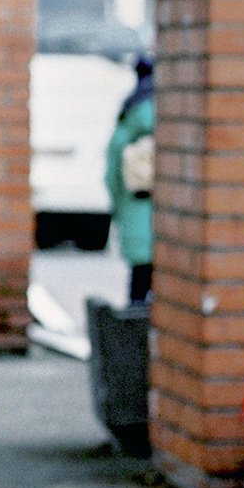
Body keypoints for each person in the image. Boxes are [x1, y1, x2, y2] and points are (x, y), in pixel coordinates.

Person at [106, 54, 154, 303]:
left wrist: (118, 210)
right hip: (174, 232)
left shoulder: (127, 120)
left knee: (138, 290)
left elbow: (111, 175)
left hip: (136, 218)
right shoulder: (175, 117)